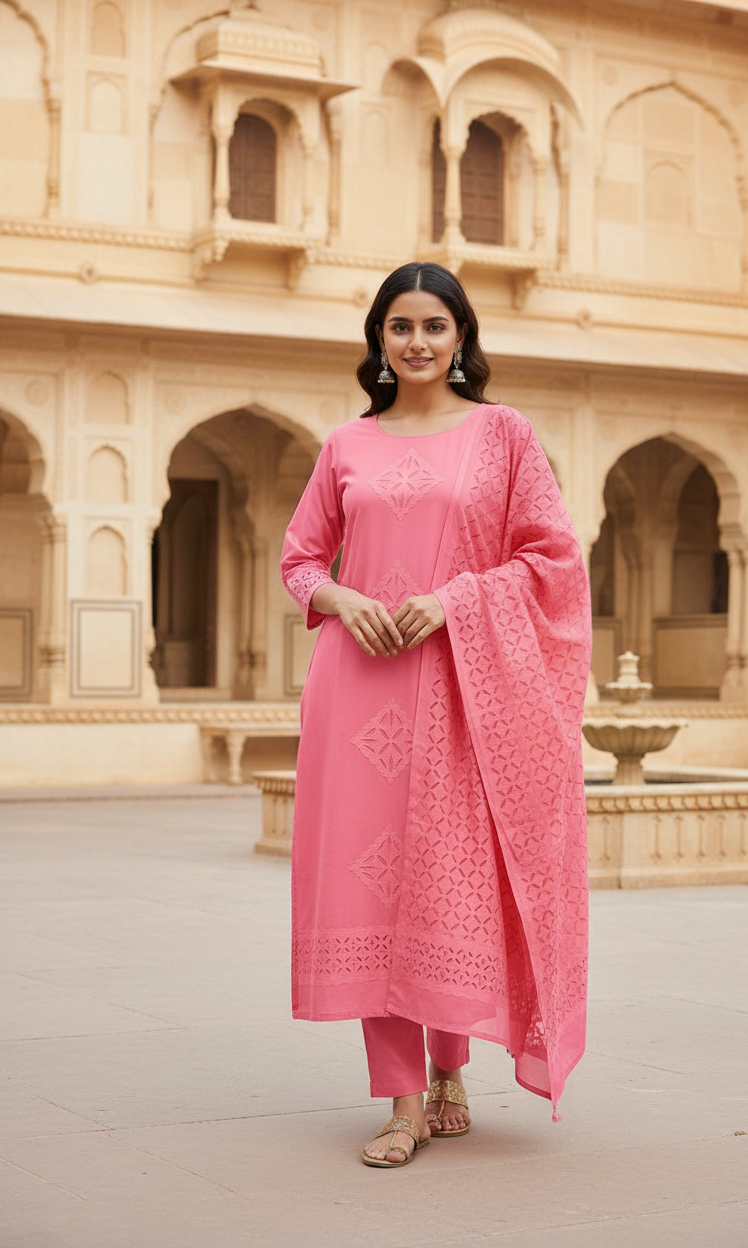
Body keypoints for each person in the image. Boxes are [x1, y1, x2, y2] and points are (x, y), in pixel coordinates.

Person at [281, 261, 591, 1169]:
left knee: (441, 878)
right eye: (400, 327)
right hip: (357, 686)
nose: (416, 342)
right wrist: (343, 602)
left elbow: (552, 560)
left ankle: (452, 1065)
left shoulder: (504, 435)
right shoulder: (346, 445)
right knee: (370, 886)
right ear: (379, 340)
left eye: (434, 327)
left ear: (462, 339)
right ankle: (404, 1103)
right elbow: (302, 561)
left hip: (461, 688)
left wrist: (457, 599)